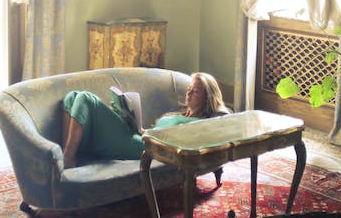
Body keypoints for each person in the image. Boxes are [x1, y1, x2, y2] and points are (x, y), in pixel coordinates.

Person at [60, 72, 228, 168]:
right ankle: (75, 152)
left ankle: (68, 158)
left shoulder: (201, 124)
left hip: (146, 147)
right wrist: (127, 116)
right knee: (71, 97)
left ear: (207, 97)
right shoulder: (179, 115)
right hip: (138, 135)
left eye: (196, 91)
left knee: (85, 98)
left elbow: (222, 120)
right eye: (189, 90)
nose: (189, 94)